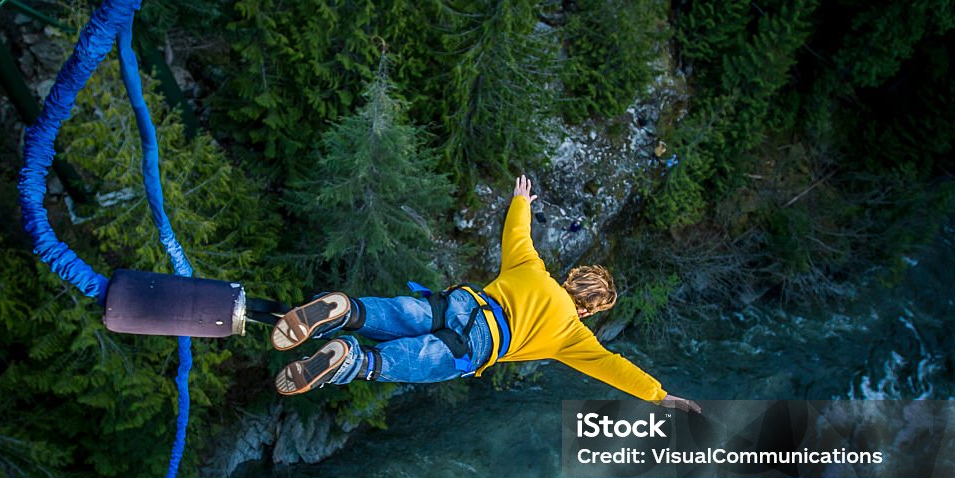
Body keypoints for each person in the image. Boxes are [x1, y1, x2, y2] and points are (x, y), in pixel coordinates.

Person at [271, 175, 701, 413]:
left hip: (462, 303)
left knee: (402, 313)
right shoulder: (572, 335)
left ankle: (346, 310)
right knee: (398, 362)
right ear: (588, 310)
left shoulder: (531, 268)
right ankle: (350, 359)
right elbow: (613, 368)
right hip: (478, 345)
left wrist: (521, 201)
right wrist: (660, 395)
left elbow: (517, 233)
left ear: (571, 278)